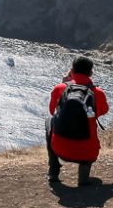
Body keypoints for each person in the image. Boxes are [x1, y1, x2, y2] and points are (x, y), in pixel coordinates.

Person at [46, 56, 109, 186]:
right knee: (89, 128)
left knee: (50, 121)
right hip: (88, 153)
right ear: (91, 73)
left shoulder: (59, 88)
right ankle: (83, 178)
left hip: (59, 149)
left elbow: (53, 112)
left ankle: (53, 170)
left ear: (71, 71)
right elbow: (103, 111)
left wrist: (65, 83)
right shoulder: (98, 93)